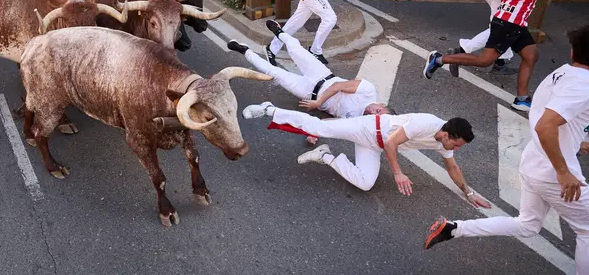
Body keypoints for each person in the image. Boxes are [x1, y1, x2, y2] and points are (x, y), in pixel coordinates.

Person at [424, 25, 589, 275]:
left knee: (527, 225)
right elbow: (546, 127)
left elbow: (551, 121)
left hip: (534, 161)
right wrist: (563, 171)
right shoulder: (582, 85)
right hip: (553, 171)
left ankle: (454, 228)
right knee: (586, 230)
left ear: (571, 52)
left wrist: (578, 142)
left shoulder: (564, 74)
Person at [424, 0, 589, 112]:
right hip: (510, 22)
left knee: (531, 55)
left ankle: (522, 99)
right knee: (485, 60)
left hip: (511, 20)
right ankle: (439, 59)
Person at [242, 101, 491, 204]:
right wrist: (398, 174)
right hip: (367, 129)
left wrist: (467, 192)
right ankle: (270, 109)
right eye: (456, 145)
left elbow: (453, 168)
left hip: (374, 145)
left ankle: (325, 155)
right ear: (448, 134)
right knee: (319, 126)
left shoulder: (442, 143)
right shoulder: (426, 123)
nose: (455, 150)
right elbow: (393, 144)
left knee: (365, 183)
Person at [228, 21, 392, 120]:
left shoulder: (361, 120)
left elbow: (338, 124)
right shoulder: (369, 91)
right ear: (382, 104)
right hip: (322, 76)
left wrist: (315, 132)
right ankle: (279, 32)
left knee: (274, 74)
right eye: (377, 111)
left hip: (307, 93)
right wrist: (319, 103)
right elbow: (338, 87)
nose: (371, 112)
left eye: (373, 117)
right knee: (295, 50)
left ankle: (244, 50)